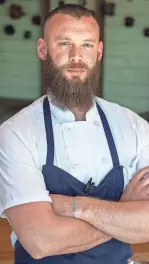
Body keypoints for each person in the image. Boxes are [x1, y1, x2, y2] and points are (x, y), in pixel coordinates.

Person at [0, 3, 149, 264]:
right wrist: (124, 211)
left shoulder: (133, 127)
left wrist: (72, 207)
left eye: (87, 45)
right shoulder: (15, 133)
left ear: (99, 51)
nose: (77, 56)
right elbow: (40, 241)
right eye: (64, 43)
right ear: (43, 49)